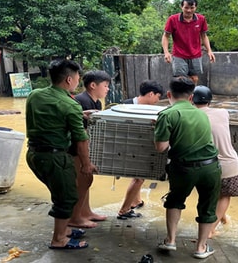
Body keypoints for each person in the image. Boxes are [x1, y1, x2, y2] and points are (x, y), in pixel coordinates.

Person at [25, 58, 96, 250]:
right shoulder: (70, 104)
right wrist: (86, 165)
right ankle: (59, 239)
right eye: (77, 77)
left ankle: (65, 230)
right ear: (69, 80)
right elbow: (81, 140)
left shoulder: (34, 95)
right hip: (55, 157)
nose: (78, 81)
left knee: (61, 193)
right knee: (66, 197)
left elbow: (50, 115)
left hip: (33, 155)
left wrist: (80, 114)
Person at [154, 76, 220, 259]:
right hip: (211, 167)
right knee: (207, 207)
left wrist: (160, 130)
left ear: (169, 94)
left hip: (184, 168)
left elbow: (161, 147)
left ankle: (171, 241)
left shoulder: (167, 115)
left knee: (175, 201)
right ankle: (201, 248)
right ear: (191, 97)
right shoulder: (202, 114)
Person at [193, 85, 238, 237]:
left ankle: (217, 221)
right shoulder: (223, 112)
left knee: (209, 195)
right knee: (224, 196)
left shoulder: (191, 117)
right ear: (210, 100)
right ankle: (211, 229)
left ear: (191, 99)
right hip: (229, 163)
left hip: (206, 165)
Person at [68, 69, 112, 228]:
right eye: (106, 86)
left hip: (84, 148)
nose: (108, 89)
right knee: (82, 181)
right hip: (75, 149)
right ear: (93, 85)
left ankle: (85, 212)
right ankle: (75, 217)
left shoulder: (96, 102)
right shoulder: (82, 101)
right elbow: (80, 134)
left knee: (86, 181)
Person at [116, 80, 165, 219]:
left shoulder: (153, 110)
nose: (158, 100)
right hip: (127, 147)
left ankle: (135, 201)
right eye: (158, 96)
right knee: (139, 178)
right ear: (151, 94)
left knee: (137, 178)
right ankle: (124, 210)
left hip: (142, 147)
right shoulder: (124, 106)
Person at [162, 0, 216, 85]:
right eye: (186, 7)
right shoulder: (173, 19)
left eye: (192, 8)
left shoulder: (201, 19)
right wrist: (166, 52)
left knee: (194, 78)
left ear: (195, 7)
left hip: (195, 54)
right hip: (179, 54)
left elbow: (204, 36)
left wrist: (209, 51)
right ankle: (182, 98)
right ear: (181, 7)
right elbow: (166, 36)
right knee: (181, 79)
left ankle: (191, 97)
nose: (189, 10)